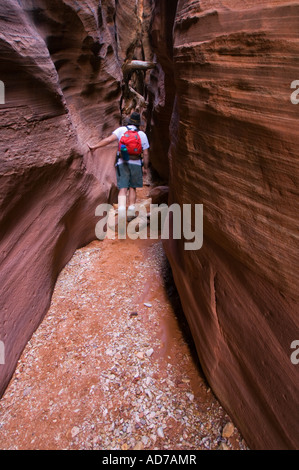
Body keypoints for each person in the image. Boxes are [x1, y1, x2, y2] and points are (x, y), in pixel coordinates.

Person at [88, 112, 150, 214]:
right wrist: (145, 167)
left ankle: (121, 210)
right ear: (139, 124)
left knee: (123, 187)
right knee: (132, 188)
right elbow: (146, 153)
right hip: (137, 163)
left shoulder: (121, 130)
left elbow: (108, 140)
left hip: (122, 162)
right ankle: (131, 210)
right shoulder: (142, 134)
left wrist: (95, 147)